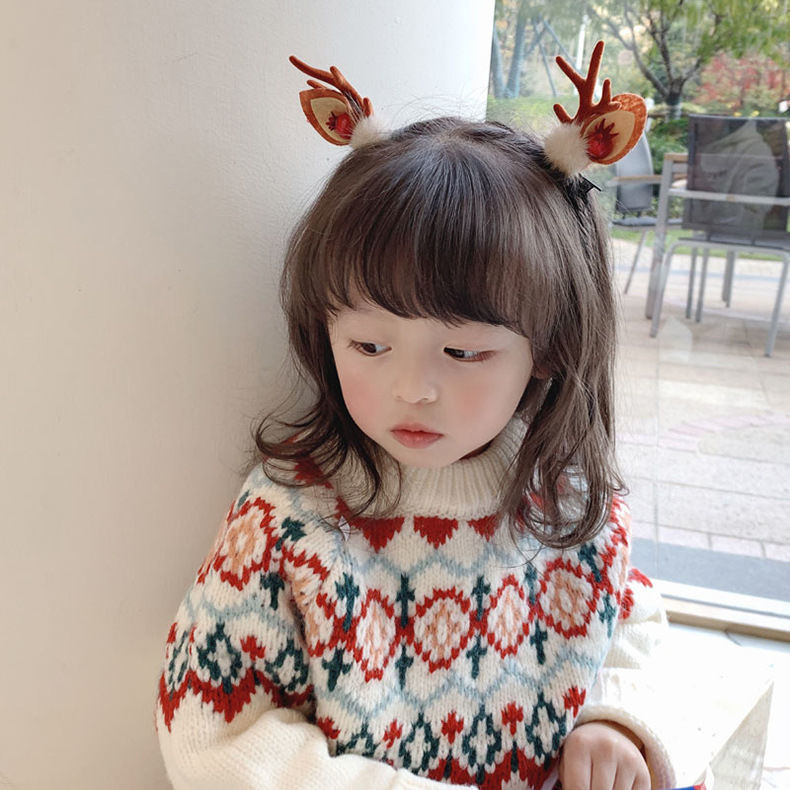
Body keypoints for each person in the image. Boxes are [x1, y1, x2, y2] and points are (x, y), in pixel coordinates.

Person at [155, 44, 679, 790]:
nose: (411, 388)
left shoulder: (565, 495)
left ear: (550, 348)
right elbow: (209, 732)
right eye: (368, 345)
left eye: (463, 352)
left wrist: (617, 720)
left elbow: (633, 619)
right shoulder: (294, 513)